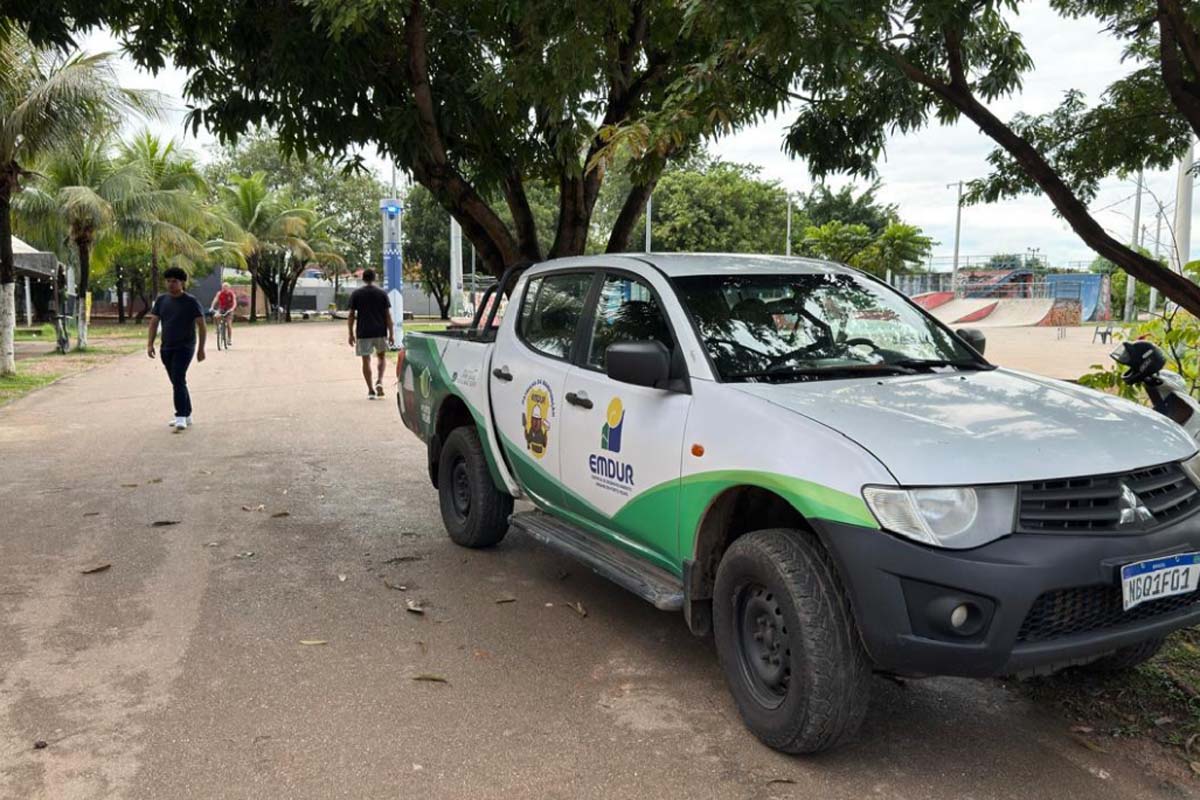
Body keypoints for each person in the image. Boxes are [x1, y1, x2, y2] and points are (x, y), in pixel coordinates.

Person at [146, 266, 206, 430]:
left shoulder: (191, 301)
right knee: (177, 381)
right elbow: (154, 322)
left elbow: (201, 325)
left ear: (182, 283)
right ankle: (187, 414)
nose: (171, 284)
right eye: (169, 281)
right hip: (167, 346)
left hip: (185, 346)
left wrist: (201, 349)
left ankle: (180, 415)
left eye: (175, 281)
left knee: (178, 378)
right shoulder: (162, 300)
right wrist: (150, 343)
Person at [347, 268, 395, 399]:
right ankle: (379, 380)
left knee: (366, 360)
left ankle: (370, 390)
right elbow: (388, 316)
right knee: (381, 357)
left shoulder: (356, 294)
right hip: (380, 331)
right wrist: (391, 334)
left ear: (363, 279)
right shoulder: (382, 294)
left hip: (363, 332)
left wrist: (350, 334)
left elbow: (351, 316)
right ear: (374, 278)